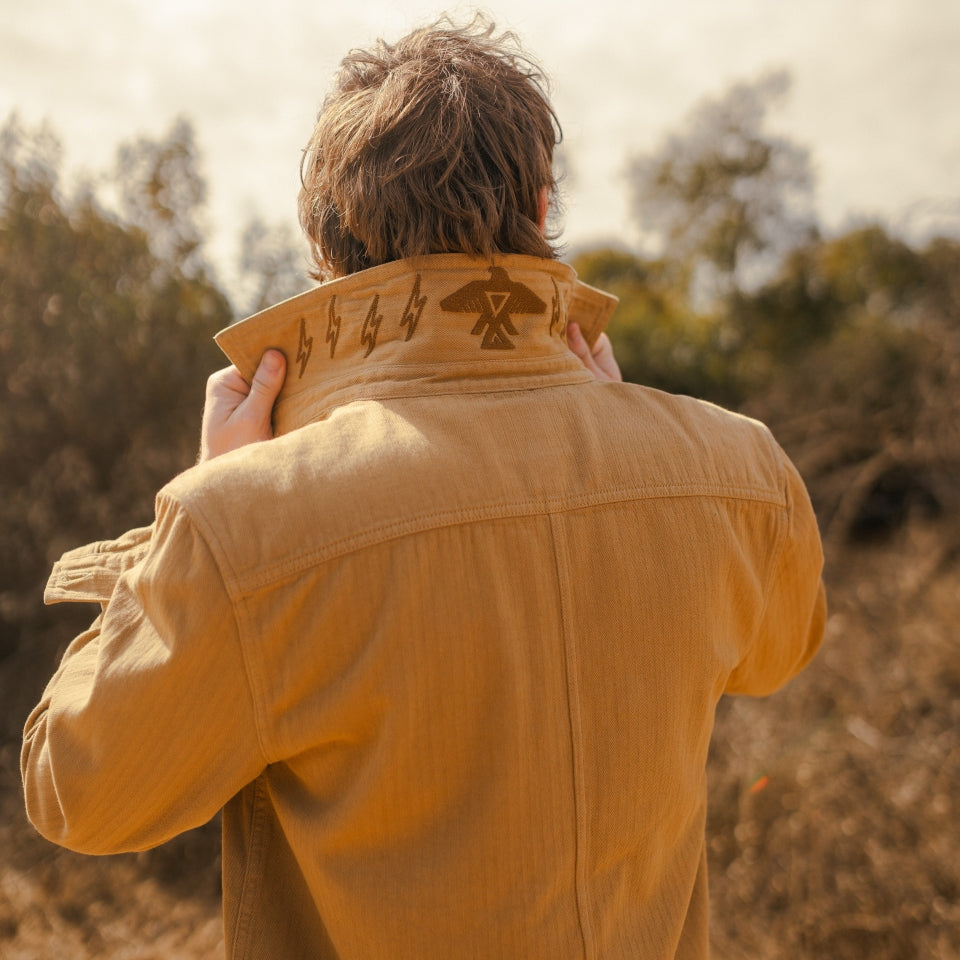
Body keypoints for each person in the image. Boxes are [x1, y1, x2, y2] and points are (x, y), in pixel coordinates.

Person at [22, 16, 826, 960]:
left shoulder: (245, 521)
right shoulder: (742, 473)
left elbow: (74, 792)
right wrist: (628, 436)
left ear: (324, 246)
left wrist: (206, 507)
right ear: (540, 198)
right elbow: (781, 651)